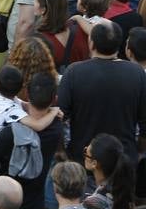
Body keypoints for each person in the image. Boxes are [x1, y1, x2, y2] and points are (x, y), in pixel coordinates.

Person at [58, 21, 146, 162]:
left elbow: (60, 117)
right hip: (123, 159)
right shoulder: (137, 73)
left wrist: (61, 152)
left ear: (91, 43)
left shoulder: (74, 72)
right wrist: (139, 151)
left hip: (84, 158)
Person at [0, 72, 63, 209]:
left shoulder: (11, 131)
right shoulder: (56, 128)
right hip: (34, 203)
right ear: (54, 99)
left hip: (5, 201)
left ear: (27, 95)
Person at [34, 0, 89, 70]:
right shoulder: (80, 29)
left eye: (36, 0)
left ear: (43, 9)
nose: (33, 3)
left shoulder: (39, 40)